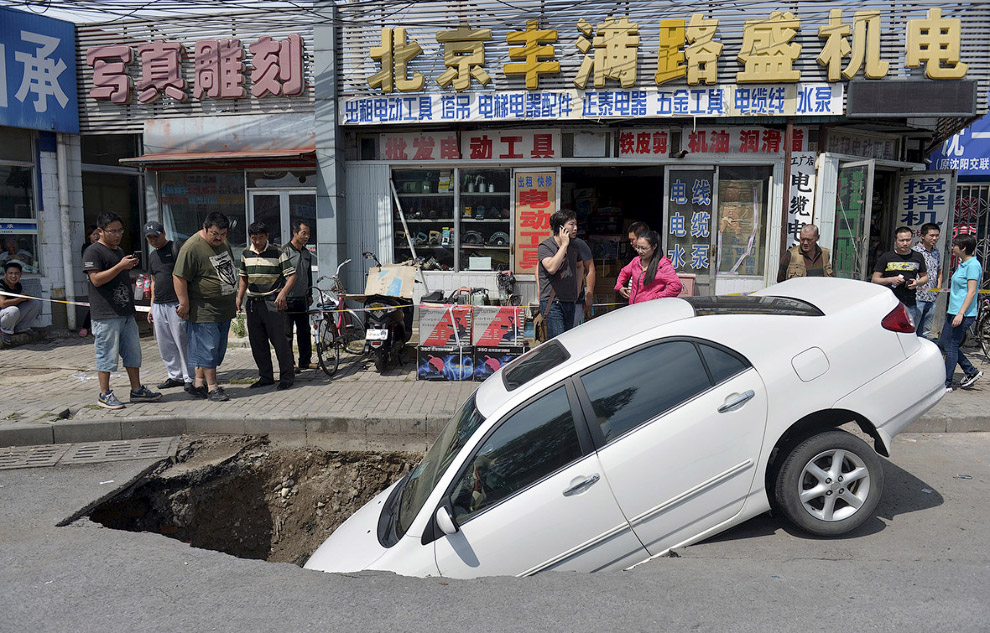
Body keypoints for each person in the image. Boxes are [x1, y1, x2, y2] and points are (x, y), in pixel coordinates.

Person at [81, 212, 162, 410]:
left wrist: (133, 277)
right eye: (113, 231)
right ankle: (104, 393)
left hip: (125, 311)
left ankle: (137, 389)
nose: (117, 235)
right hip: (105, 313)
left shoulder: (118, 250)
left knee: (133, 353)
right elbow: (96, 279)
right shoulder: (93, 252)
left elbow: (117, 277)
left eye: (120, 230)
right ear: (100, 231)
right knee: (106, 355)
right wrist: (120, 266)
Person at [173, 212, 238, 403]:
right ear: (205, 228)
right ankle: (212, 388)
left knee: (215, 349)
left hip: (223, 308)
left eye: (223, 234)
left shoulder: (223, 244)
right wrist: (184, 303)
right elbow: (179, 277)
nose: (219, 238)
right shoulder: (192, 248)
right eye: (215, 234)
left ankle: (198, 383)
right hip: (204, 309)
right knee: (209, 348)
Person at [236, 221, 297, 390]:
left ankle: (286, 377)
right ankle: (265, 376)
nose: (257, 241)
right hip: (253, 303)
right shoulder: (245, 253)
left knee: (280, 342)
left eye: (260, 238)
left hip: (272, 302)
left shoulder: (277, 252)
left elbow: (292, 275)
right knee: (258, 343)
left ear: (267, 236)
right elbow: (243, 277)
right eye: (254, 238)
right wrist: (239, 298)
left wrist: (283, 293)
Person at [144, 221, 195, 393]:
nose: (153, 240)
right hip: (159, 304)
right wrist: (151, 306)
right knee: (165, 343)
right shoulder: (152, 256)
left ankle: (190, 377)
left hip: (176, 303)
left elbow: (186, 274)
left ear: (164, 233)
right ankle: (175, 375)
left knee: (182, 340)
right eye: (149, 238)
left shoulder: (176, 248)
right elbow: (153, 281)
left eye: (156, 236)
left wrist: (185, 302)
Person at [939, 234, 982, 392]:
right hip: (954, 311)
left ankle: (947, 383)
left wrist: (961, 313)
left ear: (963, 248)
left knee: (951, 346)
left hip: (963, 314)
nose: (953, 248)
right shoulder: (963, 264)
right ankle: (970, 371)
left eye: (955, 245)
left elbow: (971, 292)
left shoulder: (973, 265)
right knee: (944, 343)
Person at [538, 210, 581, 339]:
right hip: (553, 302)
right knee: (559, 342)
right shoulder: (545, 246)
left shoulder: (575, 246)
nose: (575, 228)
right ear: (561, 227)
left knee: (568, 341)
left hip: (569, 301)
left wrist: (577, 291)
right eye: (572, 224)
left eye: (576, 224)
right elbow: (551, 268)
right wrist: (564, 245)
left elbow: (580, 267)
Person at [872, 226, 928, 325]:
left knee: (909, 333)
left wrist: (917, 282)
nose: (905, 243)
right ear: (895, 240)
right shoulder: (886, 257)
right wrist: (891, 280)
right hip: (890, 304)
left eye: (908, 240)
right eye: (901, 240)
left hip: (910, 303)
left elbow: (925, 277)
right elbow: (875, 279)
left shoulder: (917, 256)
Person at [282, 219, 315, 372]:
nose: (306, 236)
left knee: (304, 331)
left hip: (302, 298)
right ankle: (290, 364)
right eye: (303, 233)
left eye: (308, 234)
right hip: (287, 299)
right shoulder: (284, 252)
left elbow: (308, 275)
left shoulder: (307, 253)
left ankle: (305, 361)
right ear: (294, 233)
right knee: (287, 334)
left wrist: (309, 293)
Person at [615, 230, 682, 304]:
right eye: (637, 247)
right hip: (634, 307)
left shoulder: (663, 265)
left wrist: (656, 298)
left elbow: (676, 286)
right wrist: (619, 286)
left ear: (654, 246)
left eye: (643, 248)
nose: (640, 251)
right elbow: (624, 272)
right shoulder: (636, 261)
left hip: (651, 309)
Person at [0, 261, 42, 346]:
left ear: (20, 275)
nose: (13, 276)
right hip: (3, 316)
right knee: (13, 310)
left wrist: (26, 297)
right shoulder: (1, 285)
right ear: (5, 274)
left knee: (34, 302)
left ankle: (22, 328)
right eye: (10, 273)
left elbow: (20, 297)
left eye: (16, 273)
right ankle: (4, 332)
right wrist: (19, 299)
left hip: (10, 316)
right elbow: (2, 304)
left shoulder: (17, 285)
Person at [912, 223, 942, 339]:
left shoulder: (936, 252)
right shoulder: (915, 252)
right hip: (917, 297)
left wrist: (938, 285)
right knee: (913, 330)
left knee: (925, 332)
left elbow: (939, 270)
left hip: (931, 297)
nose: (934, 238)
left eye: (937, 236)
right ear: (922, 236)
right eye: (932, 235)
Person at [78, 224, 100, 337]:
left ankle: (92, 327)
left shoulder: (104, 247)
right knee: (94, 303)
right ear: (89, 236)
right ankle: (85, 326)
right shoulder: (87, 247)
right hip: (93, 279)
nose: (96, 236)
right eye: (93, 234)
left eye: (98, 234)